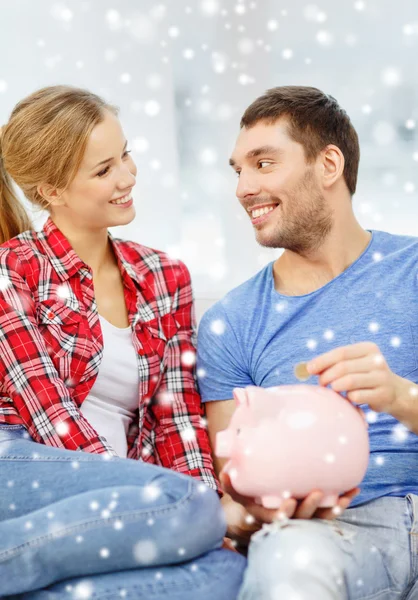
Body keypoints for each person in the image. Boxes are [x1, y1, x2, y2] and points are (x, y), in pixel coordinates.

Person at [0, 85, 246, 599]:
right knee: (191, 507)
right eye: (103, 169)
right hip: (21, 465)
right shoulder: (14, 271)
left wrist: (205, 505)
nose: (127, 177)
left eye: (126, 155)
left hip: (113, 496)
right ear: (51, 190)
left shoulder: (165, 275)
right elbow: (48, 413)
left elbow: (176, 414)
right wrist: (173, 499)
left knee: (224, 573)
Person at [197, 85, 418, 599]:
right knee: (289, 564)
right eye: (238, 170)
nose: (243, 187)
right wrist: (260, 509)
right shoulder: (231, 322)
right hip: (328, 535)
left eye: (263, 163)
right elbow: (236, 483)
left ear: (329, 164)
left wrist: (399, 397)